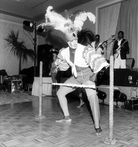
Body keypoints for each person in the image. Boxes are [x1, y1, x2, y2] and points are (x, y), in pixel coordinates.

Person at [38, 5, 109, 135]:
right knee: (60, 93)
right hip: (76, 78)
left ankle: (97, 126)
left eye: (76, 39)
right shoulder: (64, 52)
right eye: (72, 40)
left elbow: (93, 58)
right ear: (68, 40)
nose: (74, 42)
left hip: (87, 77)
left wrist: (99, 66)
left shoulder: (85, 49)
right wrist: (57, 65)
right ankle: (66, 117)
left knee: (92, 96)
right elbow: (63, 65)